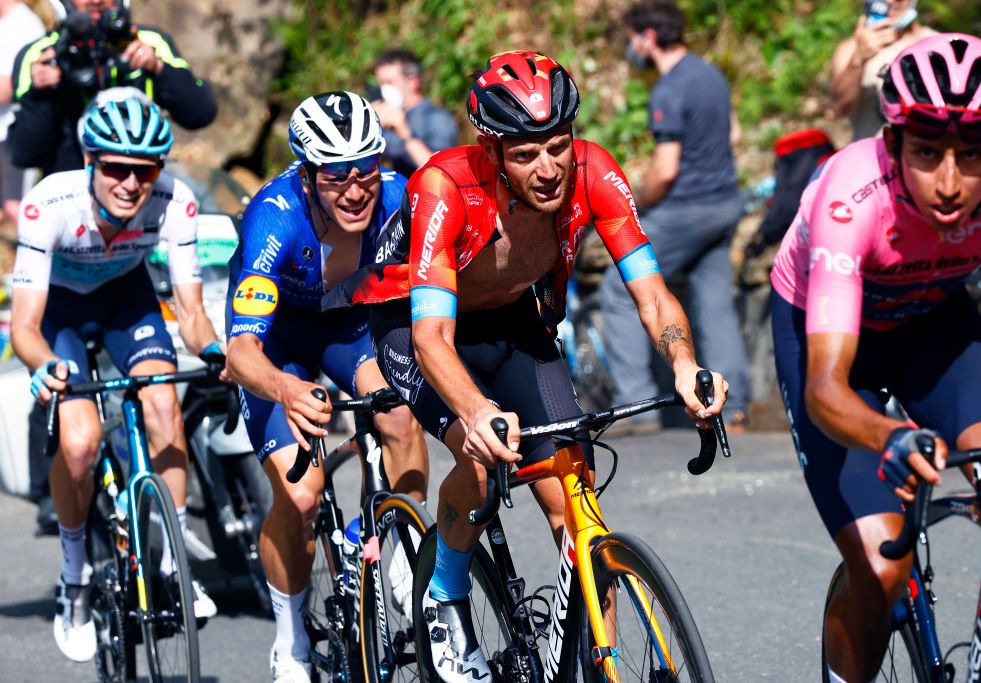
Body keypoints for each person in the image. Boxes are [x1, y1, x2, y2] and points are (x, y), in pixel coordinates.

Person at [324, 50, 729, 683]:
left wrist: (684, 365)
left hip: (513, 322)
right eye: (525, 154)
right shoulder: (444, 186)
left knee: (576, 497)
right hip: (414, 324)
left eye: (559, 146)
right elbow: (432, 337)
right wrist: (477, 411)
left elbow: (650, 292)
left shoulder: (595, 172)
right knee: (481, 464)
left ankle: (599, 662)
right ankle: (445, 594)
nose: (548, 169)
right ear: (492, 150)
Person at [770, 33, 981, 683]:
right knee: (882, 565)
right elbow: (826, 388)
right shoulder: (849, 195)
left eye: (972, 156)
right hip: (827, 339)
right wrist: (892, 433)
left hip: (931, 322)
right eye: (925, 152)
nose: (948, 182)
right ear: (891, 145)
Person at [224, 90, 429, 683]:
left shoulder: (394, 195)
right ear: (309, 177)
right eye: (337, 176)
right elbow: (241, 354)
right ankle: (290, 639)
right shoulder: (275, 215)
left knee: (399, 418)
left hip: (347, 322)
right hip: (277, 340)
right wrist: (286, 391)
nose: (356, 188)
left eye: (366, 167)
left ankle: (393, 544)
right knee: (302, 496)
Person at [9, 95, 222, 663]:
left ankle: (175, 563)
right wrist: (44, 367)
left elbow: (191, 309)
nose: (130, 183)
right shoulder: (48, 204)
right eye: (115, 168)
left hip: (127, 302)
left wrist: (214, 350)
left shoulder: (175, 202)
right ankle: (74, 574)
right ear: (89, 161)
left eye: (144, 169)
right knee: (78, 442)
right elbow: (25, 327)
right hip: (59, 312)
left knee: (163, 405)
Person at [599, 0, 749, 434]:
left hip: (686, 209)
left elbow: (665, 169)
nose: (632, 47)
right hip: (725, 205)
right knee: (715, 301)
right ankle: (733, 405)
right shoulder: (711, 74)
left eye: (632, 38)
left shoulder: (668, 88)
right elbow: (734, 133)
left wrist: (636, 202)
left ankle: (636, 406)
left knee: (619, 288)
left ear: (648, 36)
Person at [8, 0, 216, 176]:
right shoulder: (38, 55)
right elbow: (23, 154)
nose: (96, 1)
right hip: (70, 190)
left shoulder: (151, 42)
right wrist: (40, 96)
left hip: (139, 184)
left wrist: (158, 68)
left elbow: (202, 113)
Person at [830, 0, 934, 140]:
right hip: (871, 156)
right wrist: (858, 59)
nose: (890, 1)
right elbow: (840, 108)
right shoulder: (851, 48)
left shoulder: (938, 43)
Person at [372, 49, 458, 178]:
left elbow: (440, 172)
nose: (384, 90)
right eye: (381, 84)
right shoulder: (391, 115)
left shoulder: (437, 118)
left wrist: (404, 130)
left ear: (413, 82)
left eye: (389, 82)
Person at [0, 0, 44, 224]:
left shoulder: (25, 26)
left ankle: (37, 252)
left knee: (16, 206)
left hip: (11, 133)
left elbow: (9, 89)